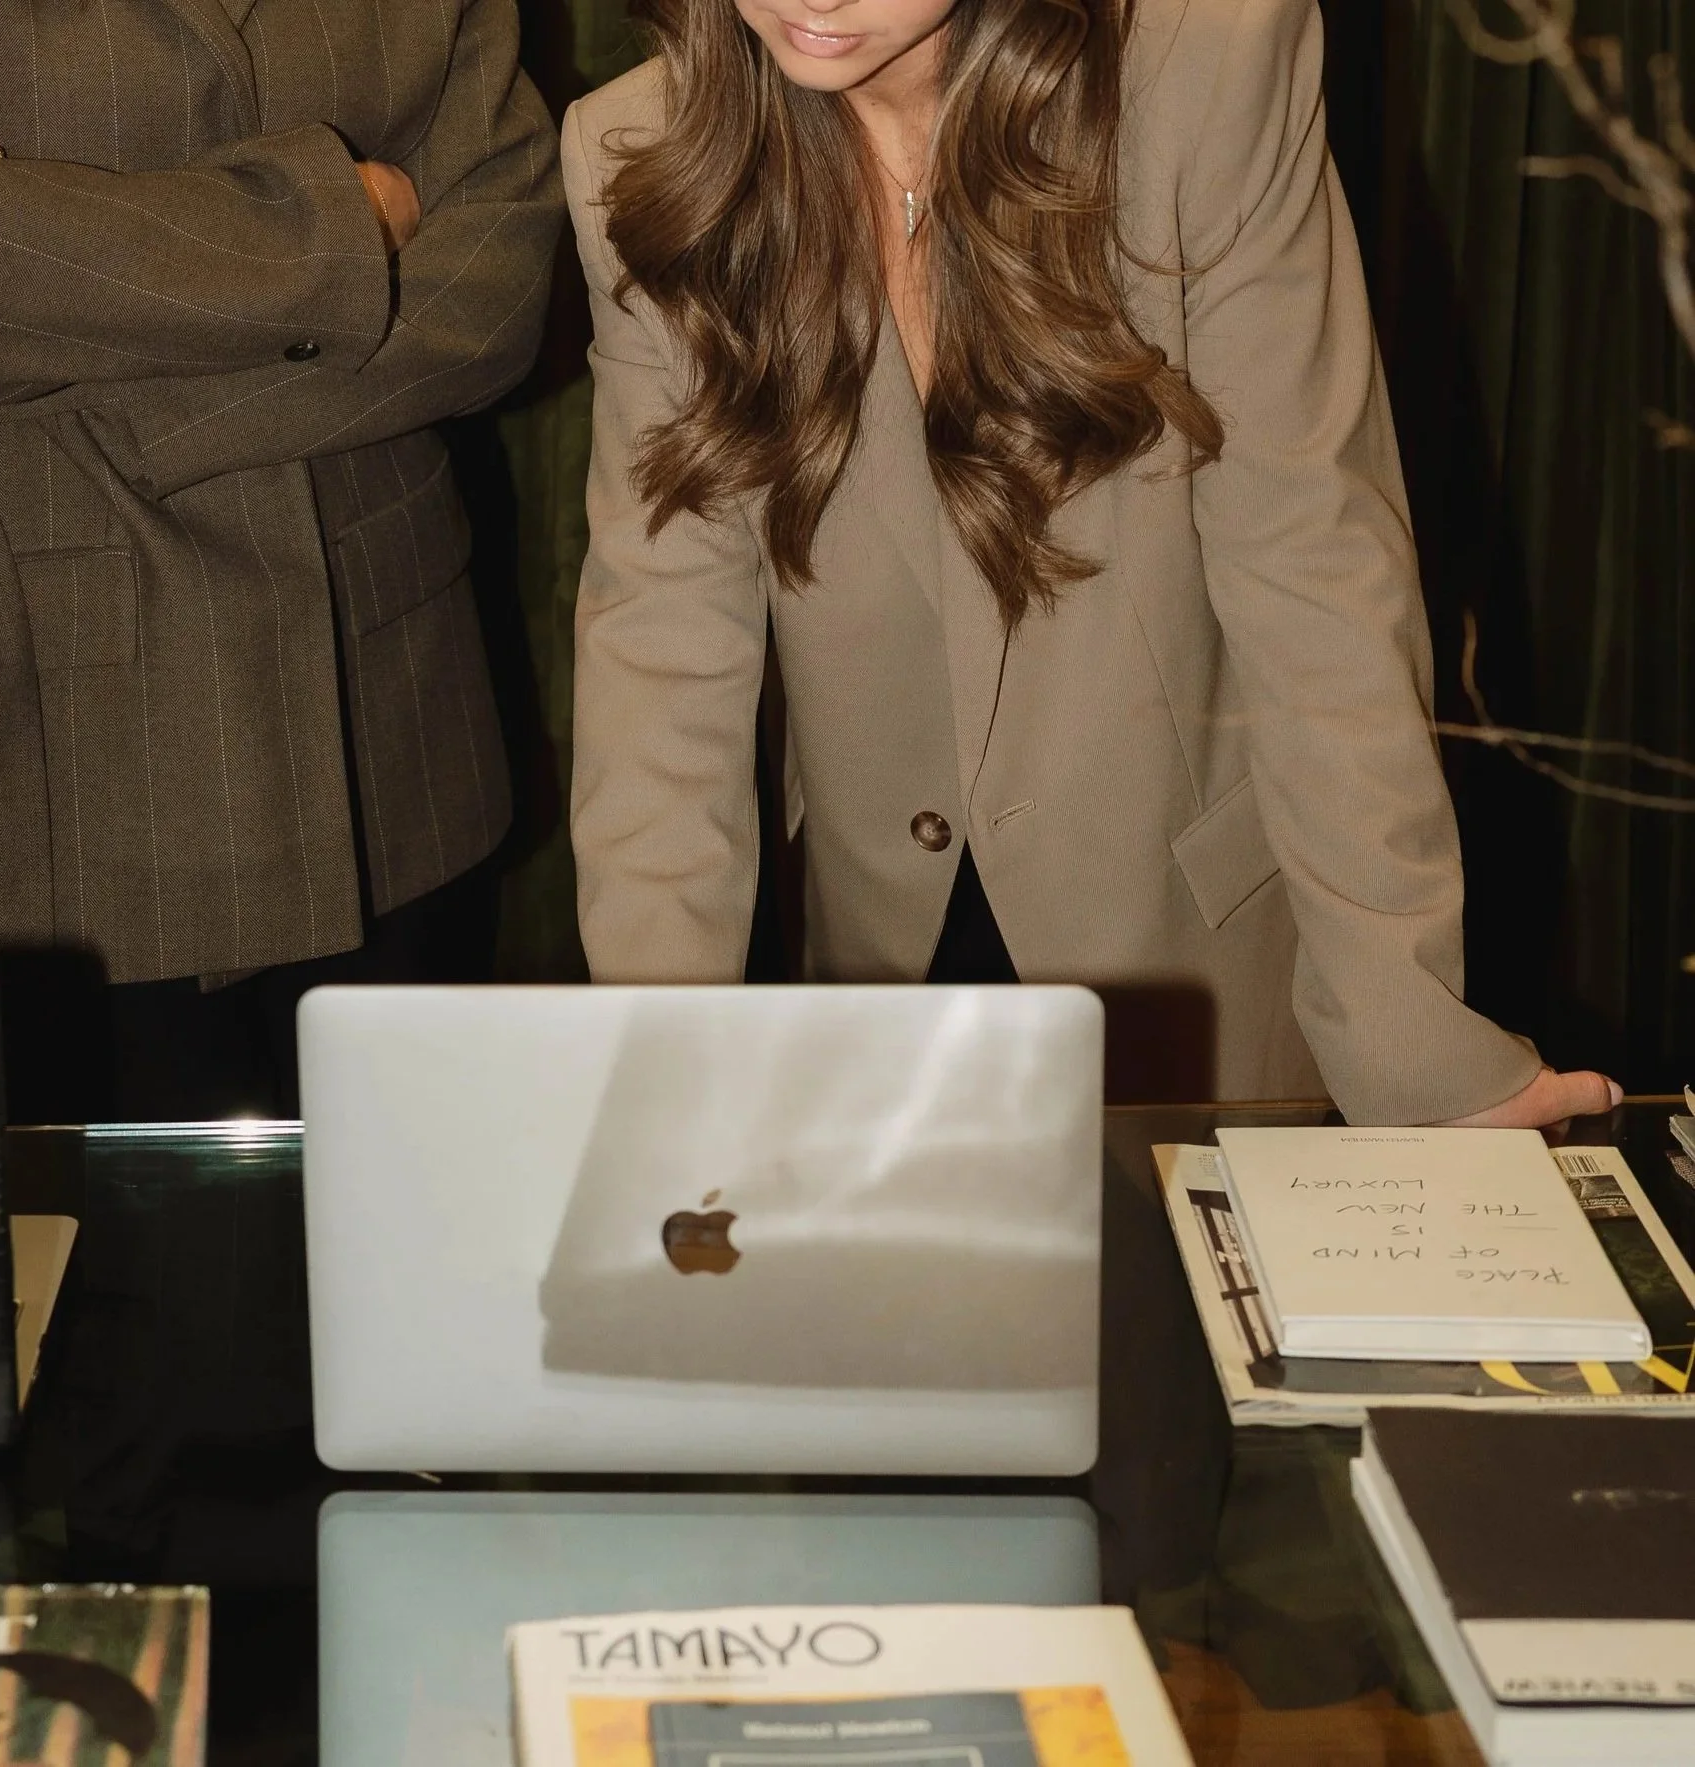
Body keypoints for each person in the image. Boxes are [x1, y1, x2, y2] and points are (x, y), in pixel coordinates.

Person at [561, 0, 1616, 1127]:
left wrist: (1420, 1068)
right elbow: (661, 650)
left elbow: (1314, 574)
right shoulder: (639, 150)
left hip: (1185, 950)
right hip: (880, 961)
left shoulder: (1205, 73)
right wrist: (656, 1075)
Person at [0, 0, 560, 1116]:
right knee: (93, 1276)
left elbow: (498, 279)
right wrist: (343, 221)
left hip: (390, 726)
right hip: (34, 730)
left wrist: (101, 382)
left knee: (400, 1262)